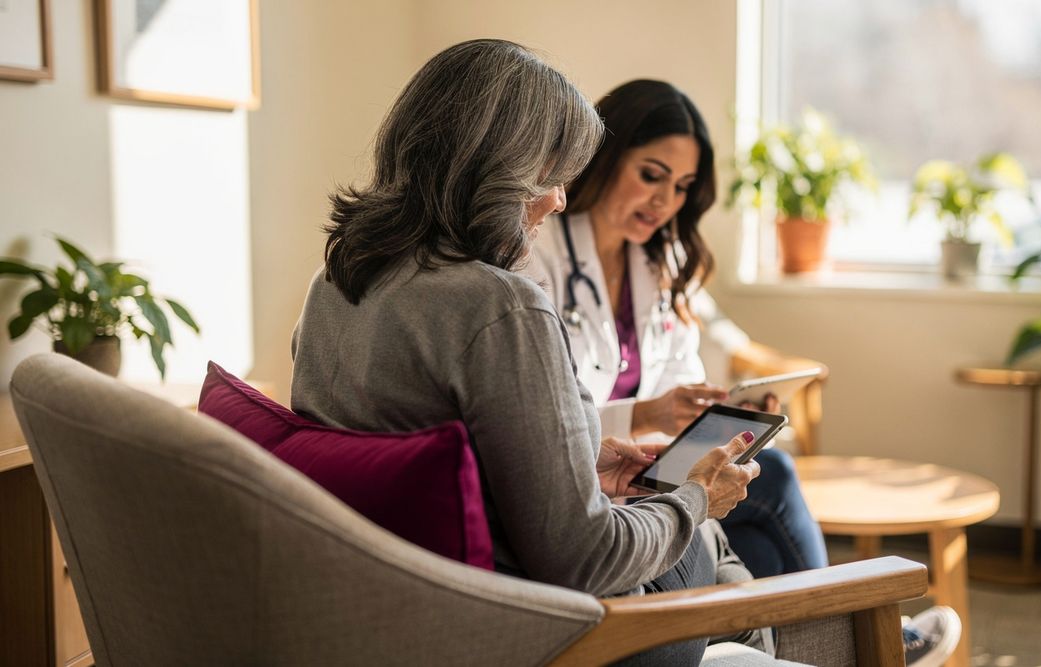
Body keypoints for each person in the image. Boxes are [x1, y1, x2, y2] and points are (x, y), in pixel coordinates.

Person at [289, 40, 764, 665]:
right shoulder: (503, 305)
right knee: (703, 531)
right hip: (538, 633)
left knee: (685, 519)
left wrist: (581, 454)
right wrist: (694, 501)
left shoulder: (335, 285)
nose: (561, 200)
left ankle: (763, 642)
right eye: (553, 176)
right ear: (503, 172)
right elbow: (586, 558)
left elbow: (424, 442)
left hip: (391, 605)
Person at [526, 79, 960, 667]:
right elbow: (551, 419)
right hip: (608, 471)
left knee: (757, 476)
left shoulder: (663, 257)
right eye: (651, 175)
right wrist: (648, 415)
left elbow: (684, 371)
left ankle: (818, 647)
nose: (664, 203)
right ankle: (855, 640)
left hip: (660, 457)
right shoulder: (540, 255)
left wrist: (729, 411)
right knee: (771, 480)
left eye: (681, 187)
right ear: (602, 158)